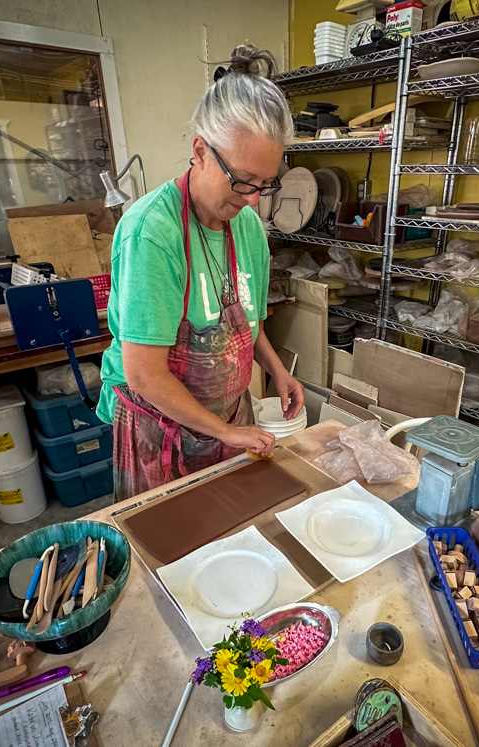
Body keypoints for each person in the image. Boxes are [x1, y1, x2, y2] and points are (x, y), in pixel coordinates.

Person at [97, 44, 304, 501]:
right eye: (243, 180)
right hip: (157, 425)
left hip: (228, 416)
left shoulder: (246, 224)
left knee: (235, 526)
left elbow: (247, 324)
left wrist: (276, 371)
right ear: (200, 151)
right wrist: (225, 434)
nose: (253, 199)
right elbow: (145, 375)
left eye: (265, 184)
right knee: (166, 544)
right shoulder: (152, 233)